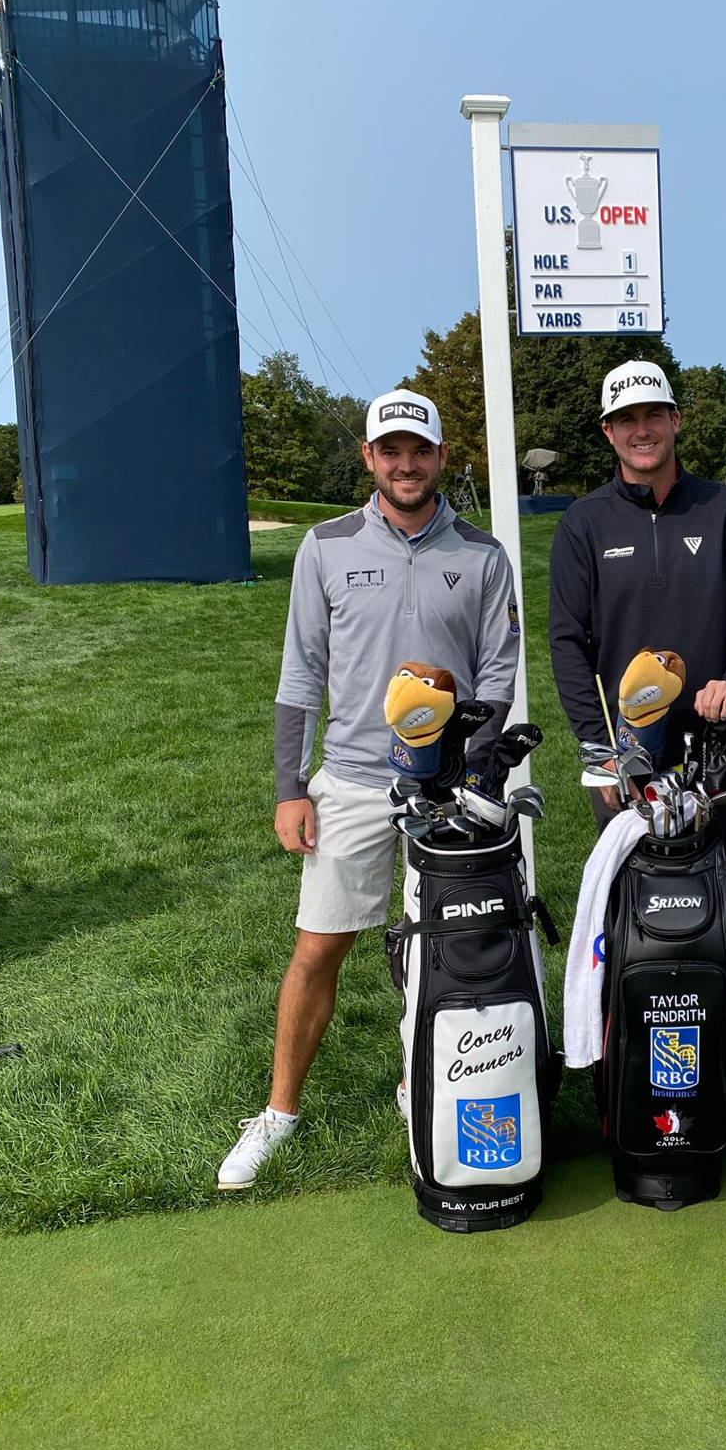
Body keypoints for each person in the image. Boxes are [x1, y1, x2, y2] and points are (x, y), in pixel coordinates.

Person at [217, 389, 519, 1189]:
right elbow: (300, 673)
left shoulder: (483, 555)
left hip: (445, 791)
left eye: (419, 450)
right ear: (369, 459)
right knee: (320, 948)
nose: (406, 464)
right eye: (390, 451)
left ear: (442, 457)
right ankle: (279, 1112)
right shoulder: (325, 545)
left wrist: (475, 768)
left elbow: (498, 672)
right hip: (350, 782)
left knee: (450, 949)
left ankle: (425, 1081)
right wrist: (291, 786)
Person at [547, 359, 726, 886]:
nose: (642, 430)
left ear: (676, 420)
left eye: (654, 414)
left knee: (716, 893)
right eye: (627, 418)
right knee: (634, 905)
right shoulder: (583, 522)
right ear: (609, 431)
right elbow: (567, 642)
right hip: (625, 750)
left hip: (714, 739)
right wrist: (599, 749)